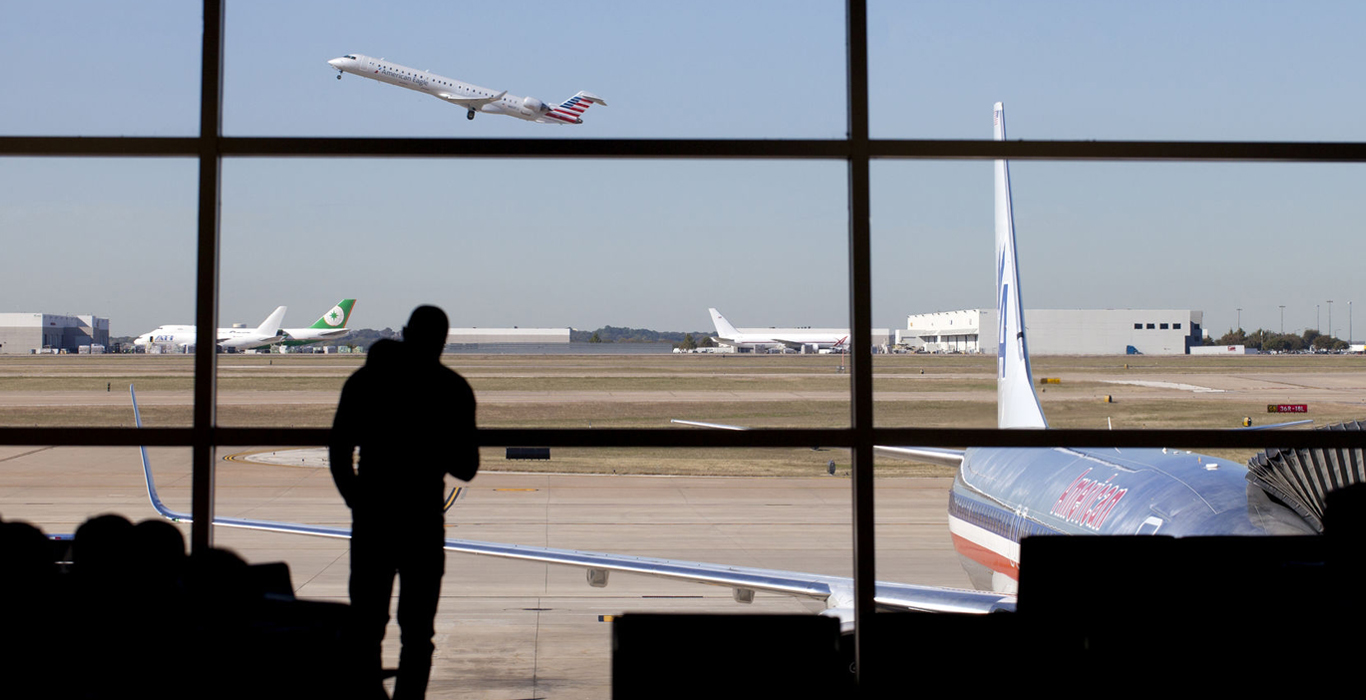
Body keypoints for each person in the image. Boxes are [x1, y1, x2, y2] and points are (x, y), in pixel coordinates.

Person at [330, 306, 479, 699]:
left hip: (373, 519)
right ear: (442, 342)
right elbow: (466, 469)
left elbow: (339, 450)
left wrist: (357, 501)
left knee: (365, 624)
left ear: (404, 332)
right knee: (417, 633)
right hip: (422, 521)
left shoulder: (365, 381)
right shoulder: (452, 388)